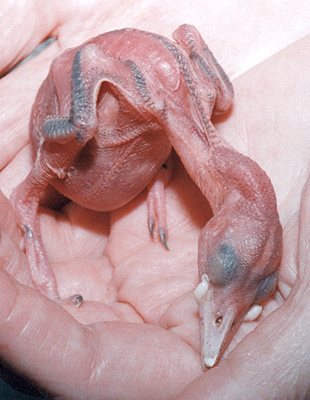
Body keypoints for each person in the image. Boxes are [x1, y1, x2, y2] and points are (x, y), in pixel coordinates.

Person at [0, 1, 309, 398]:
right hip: (64, 144)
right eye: (223, 262)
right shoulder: (157, 91)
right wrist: (78, 119)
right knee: (88, 130)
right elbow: (79, 61)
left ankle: (153, 174)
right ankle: (27, 197)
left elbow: (188, 36)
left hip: (132, 163)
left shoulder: (213, 94)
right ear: (219, 228)